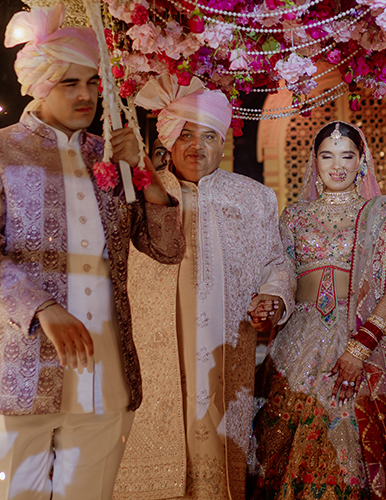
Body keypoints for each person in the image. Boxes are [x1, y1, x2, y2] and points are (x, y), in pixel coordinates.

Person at [0, 5, 184, 500]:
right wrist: (42, 307)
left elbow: (168, 250)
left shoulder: (110, 154)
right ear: (40, 86)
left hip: (105, 368)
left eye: (92, 83)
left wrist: (145, 175)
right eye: (69, 83)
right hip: (22, 368)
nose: (86, 95)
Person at [251, 120, 386, 500]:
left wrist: (359, 348)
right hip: (299, 343)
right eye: (327, 156)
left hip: (363, 338)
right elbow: (283, 277)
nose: (337, 165)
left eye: (347, 156)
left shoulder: (384, 216)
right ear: (314, 161)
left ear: (361, 161)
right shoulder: (294, 217)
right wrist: (272, 301)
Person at [114, 74, 294, 500]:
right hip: (152, 343)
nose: (198, 146)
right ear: (169, 139)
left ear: (223, 144)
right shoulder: (140, 193)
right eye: (187, 135)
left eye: (209, 136)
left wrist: (272, 296)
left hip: (225, 343)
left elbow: (277, 262)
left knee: (218, 442)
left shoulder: (254, 198)